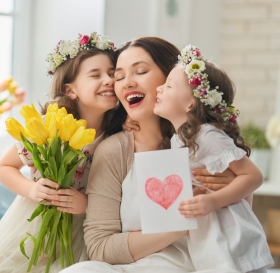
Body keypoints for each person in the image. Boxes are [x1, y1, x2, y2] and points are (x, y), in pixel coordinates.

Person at [60, 37, 254, 273]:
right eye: (119, 77)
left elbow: (242, 216)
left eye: (140, 71)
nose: (126, 83)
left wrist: (232, 190)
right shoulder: (115, 150)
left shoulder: (207, 140)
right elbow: (100, 247)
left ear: (172, 78)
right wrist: (180, 224)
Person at [0, 32, 117, 273]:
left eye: (113, 74)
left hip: (77, 236)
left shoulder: (117, 138)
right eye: (96, 75)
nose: (109, 80)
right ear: (71, 90)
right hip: (31, 226)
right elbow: (4, 167)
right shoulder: (48, 126)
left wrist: (87, 205)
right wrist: (32, 189)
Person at [153, 45, 274, 272]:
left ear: (191, 103)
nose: (158, 88)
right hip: (207, 233)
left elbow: (253, 176)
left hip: (229, 230)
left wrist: (213, 201)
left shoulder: (207, 135)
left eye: (168, 85)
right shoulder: (178, 139)